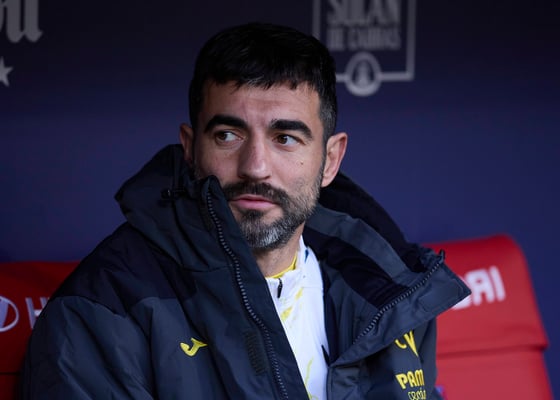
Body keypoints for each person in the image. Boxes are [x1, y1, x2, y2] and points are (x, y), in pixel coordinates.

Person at [22, 22, 470, 399]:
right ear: (190, 149)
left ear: (330, 160)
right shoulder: (103, 309)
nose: (255, 167)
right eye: (228, 136)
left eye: (285, 138)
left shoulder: (390, 287)